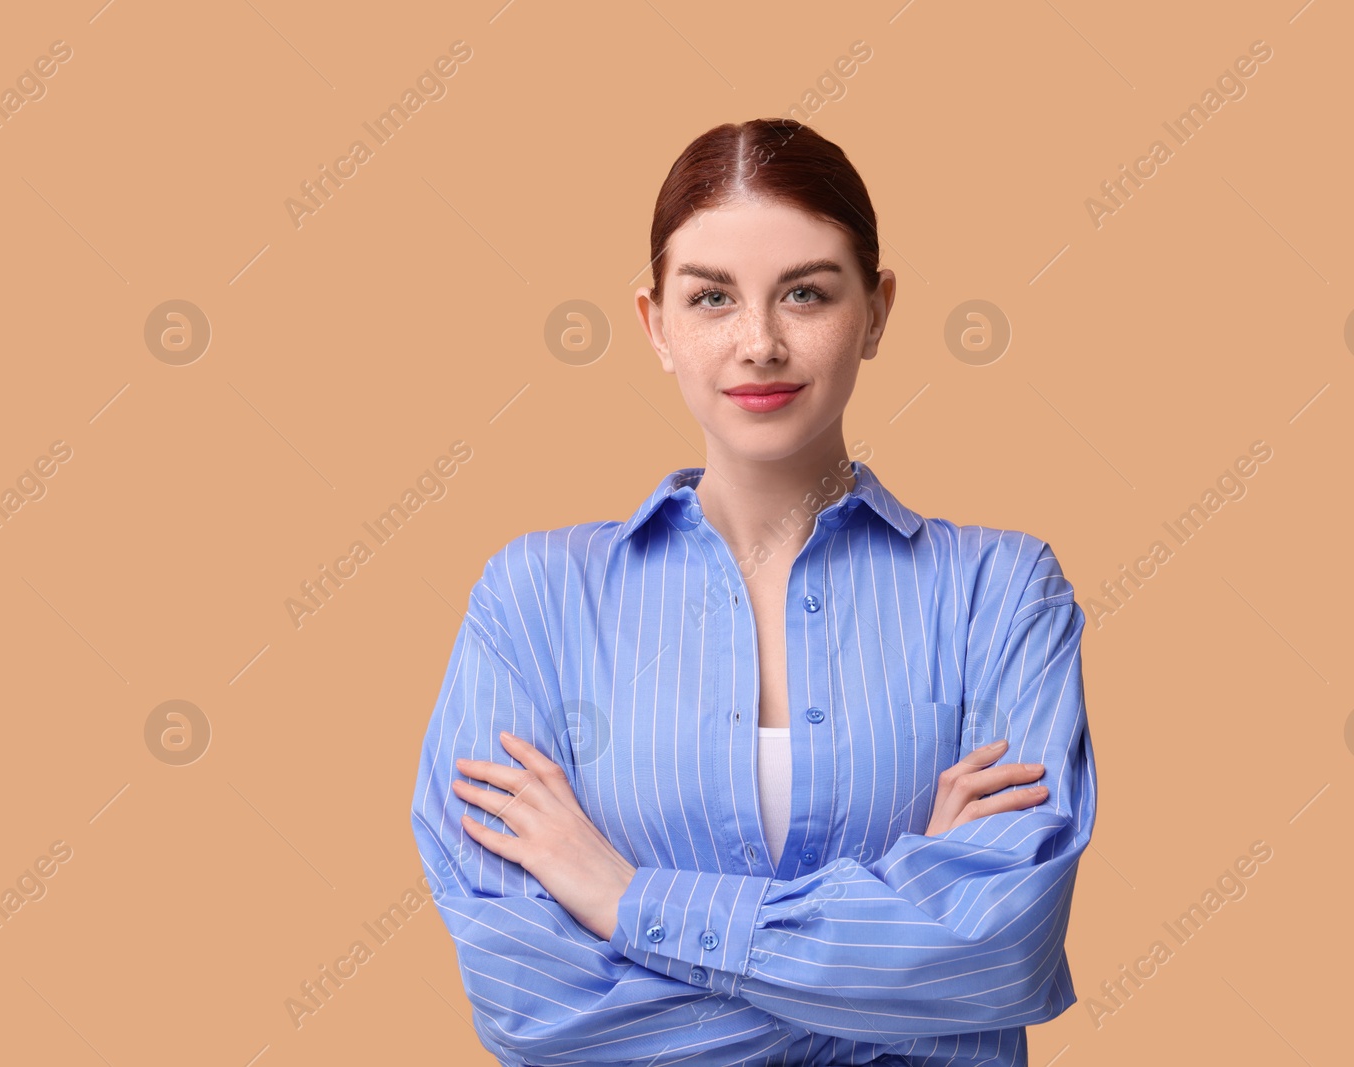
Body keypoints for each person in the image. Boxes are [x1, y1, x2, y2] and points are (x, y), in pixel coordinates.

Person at [410, 117, 1097, 1067]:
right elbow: (532, 1003)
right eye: (712, 298)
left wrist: (625, 899)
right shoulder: (536, 599)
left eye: (806, 293)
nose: (760, 342)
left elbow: (998, 955)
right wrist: (894, 967)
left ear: (879, 308)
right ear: (656, 324)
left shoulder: (1000, 593)